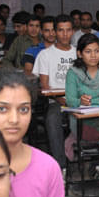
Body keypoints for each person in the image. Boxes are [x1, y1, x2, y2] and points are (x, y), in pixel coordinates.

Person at [32, 14, 76, 170]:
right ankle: (60, 166)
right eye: (61, 30)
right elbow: (44, 85)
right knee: (52, 119)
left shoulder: (79, 53)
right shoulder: (45, 55)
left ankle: (94, 163)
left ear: (73, 31)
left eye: (68, 30)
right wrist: (61, 99)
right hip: (55, 101)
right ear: (55, 32)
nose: (65, 34)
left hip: (78, 101)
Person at [65, 34, 99, 150]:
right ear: (79, 54)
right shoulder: (73, 73)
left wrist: (98, 102)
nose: (93, 55)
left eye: (97, 51)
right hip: (84, 122)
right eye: (88, 52)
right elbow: (70, 100)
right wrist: (80, 101)